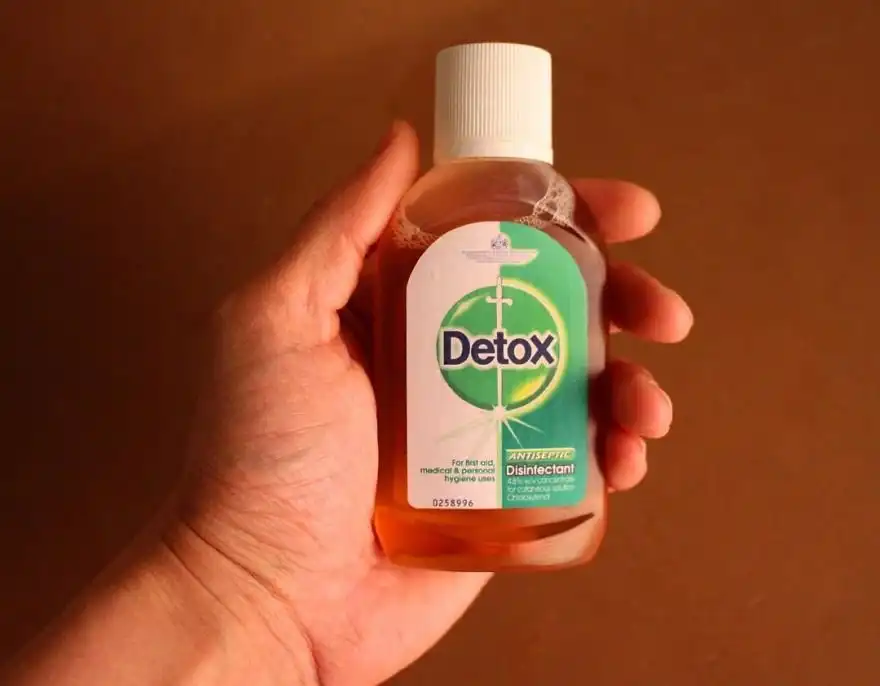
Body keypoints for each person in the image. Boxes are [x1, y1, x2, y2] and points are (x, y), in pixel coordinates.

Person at [3, 122, 693, 686]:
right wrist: (242, 582)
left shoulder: (542, 208)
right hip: (386, 536)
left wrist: (238, 600)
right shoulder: (431, 208)